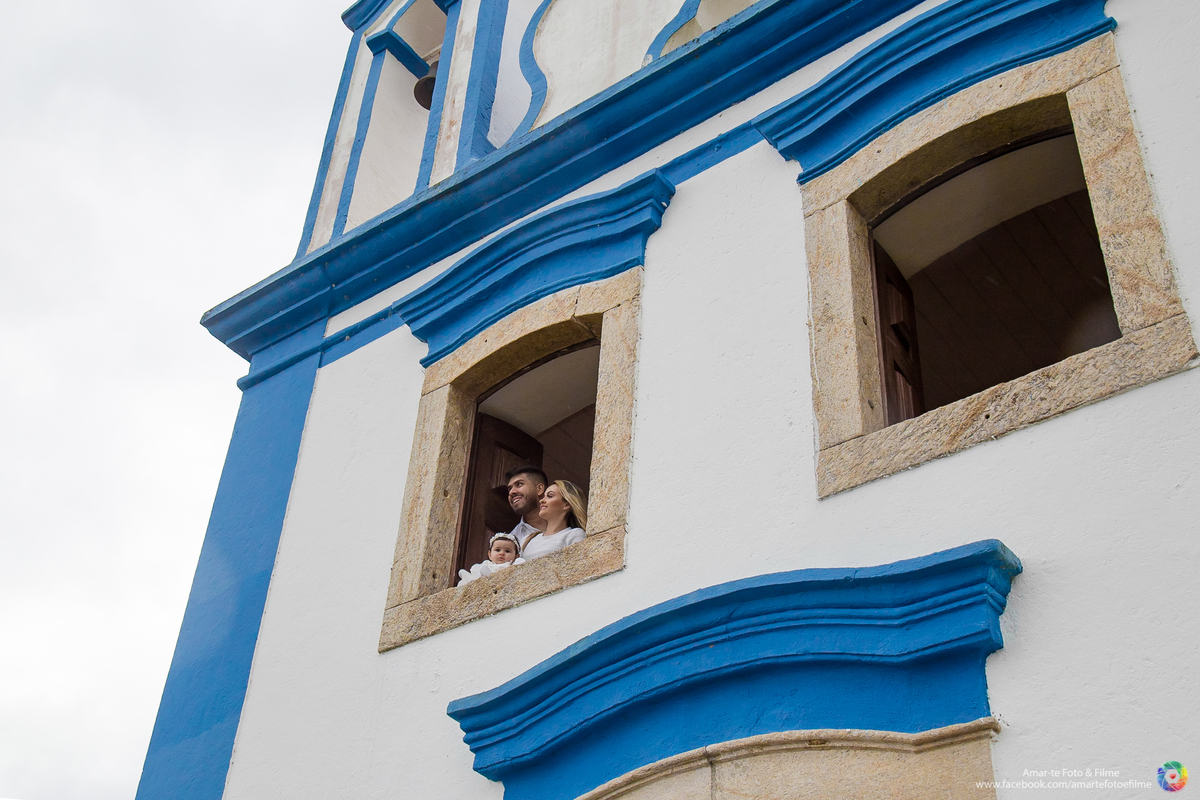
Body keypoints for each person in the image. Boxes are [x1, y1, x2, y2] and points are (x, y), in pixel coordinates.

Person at [521, 480, 588, 560]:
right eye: (544, 496)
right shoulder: (527, 540)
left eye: (550, 496)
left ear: (566, 505)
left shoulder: (574, 534)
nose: (541, 500)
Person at [457, 532, 525, 585]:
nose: (502, 553)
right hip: (484, 581)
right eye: (497, 550)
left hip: (500, 582)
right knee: (478, 571)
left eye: (507, 551)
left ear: (516, 556)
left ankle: (490, 577)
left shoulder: (511, 566)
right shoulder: (487, 565)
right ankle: (467, 579)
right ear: (490, 555)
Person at [504, 465, 548, 544]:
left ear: (540, 489)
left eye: (519, 484)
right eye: (510, 489)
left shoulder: (568, 526)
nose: (511, 492)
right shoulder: (513, 540)